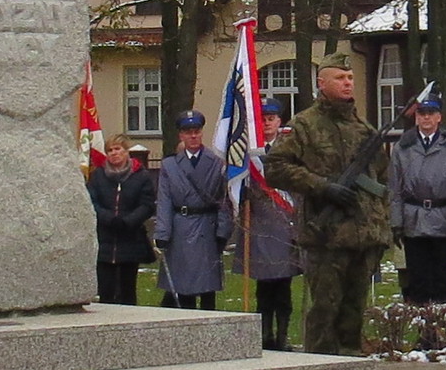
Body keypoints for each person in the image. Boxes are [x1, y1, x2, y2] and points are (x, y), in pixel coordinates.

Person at [263, 52, 390, 355]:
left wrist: (381, 223)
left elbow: (382, 178)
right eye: (340, 78)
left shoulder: (365, 129)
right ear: (322, 83)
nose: (347, 83)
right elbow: (275, 167)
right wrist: (322, 187)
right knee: (324, 312)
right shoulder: (305, 125)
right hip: (326, 234)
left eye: (350, 78)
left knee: (354, 314)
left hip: (363, 234)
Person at [387, 92, 446, 304]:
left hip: (443, 218)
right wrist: (396, 223)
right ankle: (425, 331)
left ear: (439, 117)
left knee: (442, 279)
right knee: (417, 280)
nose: (426, 118)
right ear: (416, 117)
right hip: (413, 219)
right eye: (422, 113)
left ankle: (440, 330)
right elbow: (395, 189)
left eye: (431, 113)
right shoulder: (402, 149)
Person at [151, 110, 230, 310]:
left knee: (207, 285)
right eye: (188, 132)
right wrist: (162, 232)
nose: (193, 136)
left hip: (206, 226)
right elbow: (165, 200)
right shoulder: (170, 165)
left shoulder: (216, 163)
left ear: (202, 132)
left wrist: (222, 230)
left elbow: (223, 199)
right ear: (181, 135)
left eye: (196, 131)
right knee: (182, 284)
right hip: (181, 228)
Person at [243, 102, 296, 349]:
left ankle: (283, 336)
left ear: (279, 121)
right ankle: (264, 336)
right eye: (263, 118)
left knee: (283, 286)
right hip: (260, 225)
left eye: (272, 118)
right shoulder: (248, 152)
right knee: (263, 287)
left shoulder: (290, 149)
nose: (267, 123)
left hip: (285, 223)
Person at [87, 136, 154, 306]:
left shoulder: (141, 176)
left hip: (130, 239)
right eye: (110, 150)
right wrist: (108, 218)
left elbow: (147, 204)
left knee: (127, 290)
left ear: (126, 152)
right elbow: (91, 202)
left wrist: (128, 221)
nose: (114, 153)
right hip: (105, 238)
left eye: (117, 149)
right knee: (106, 290)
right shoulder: (98, 176)